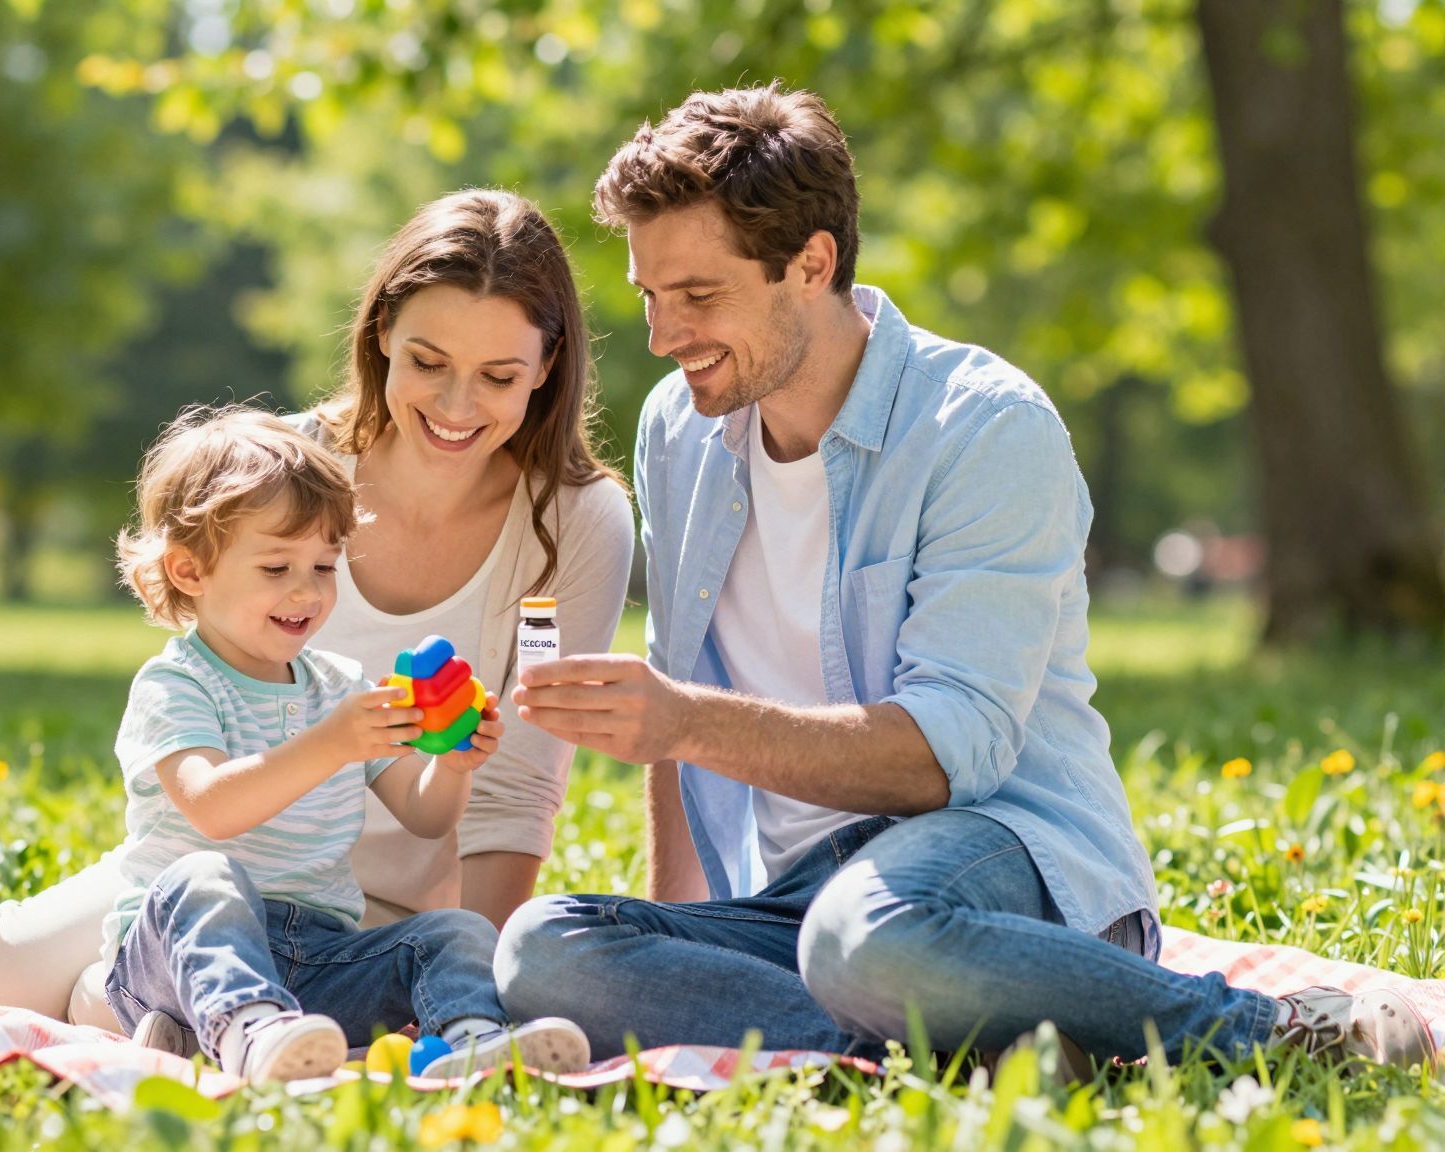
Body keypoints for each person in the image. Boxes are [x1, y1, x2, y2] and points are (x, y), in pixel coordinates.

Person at [496, 83, 1433, 1073]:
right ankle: (980, 1047)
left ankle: (1273, 1033)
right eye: (649, 296)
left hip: (994, 861)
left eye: (696, 296)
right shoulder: (678, 428)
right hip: (801, 908)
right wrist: (671, 944)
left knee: (864, 936)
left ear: (809, 263)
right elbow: (679, 684)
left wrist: (684, 720)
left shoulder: (984, 426)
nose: (660, 335)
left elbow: (951, 757)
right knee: (543, 948)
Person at [0, 190, 635, 1031]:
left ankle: (124, 1005)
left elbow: (515, 791)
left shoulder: (575, 522)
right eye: (428, 362)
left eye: (499, 377)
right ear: (380, 332)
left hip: (368, 910)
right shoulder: (285, 471)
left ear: (549, 366)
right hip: (205, 873)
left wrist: (475, 977)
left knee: (334, 1021)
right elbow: (198, 701)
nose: (456, 407)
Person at [73, 406, 588, 1083]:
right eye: (277, 566)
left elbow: (425, 815)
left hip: (317, 958)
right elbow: (212, 809)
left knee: (454, 930)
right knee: (205, 878)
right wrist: (331, 744)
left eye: (324, 564)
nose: (307, 590)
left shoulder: (340, 685)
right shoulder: (176, 684)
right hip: (177, 951)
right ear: (190, 571)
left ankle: (473, 1040)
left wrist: (453, 762)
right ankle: (248, 1032)